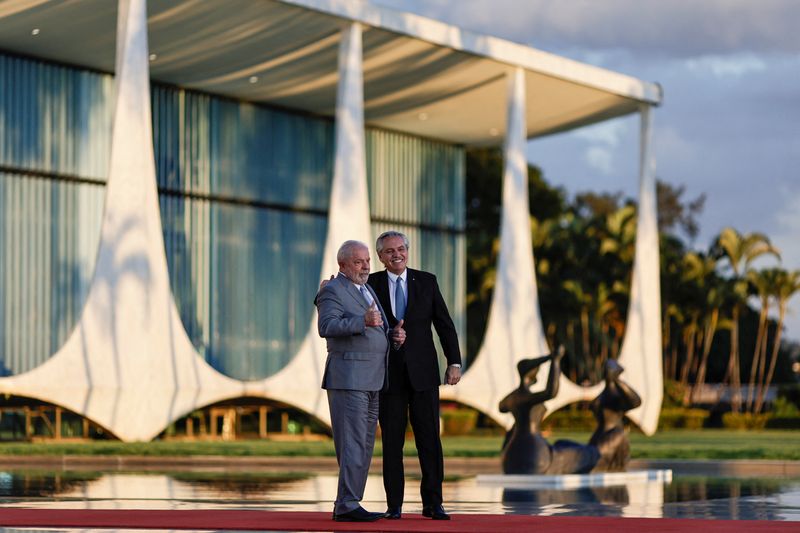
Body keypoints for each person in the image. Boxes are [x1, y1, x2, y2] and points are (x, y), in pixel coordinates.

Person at [367, 230, 462, 521]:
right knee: (392, 443)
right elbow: (360, 321)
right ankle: (393, 505)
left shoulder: (427, 281)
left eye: (401, 249)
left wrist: (454, 362)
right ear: (381, 257)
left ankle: (433, 504)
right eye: (389, 251)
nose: (397, 254)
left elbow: (444, 325)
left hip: (423, 375)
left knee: (429, 440)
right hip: (388, 376)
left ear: (407, 251)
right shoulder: (371, 284)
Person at [316, 240, 405, 522]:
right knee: (352, 443)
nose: (366, 266)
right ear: (343, 265)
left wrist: (394, 336)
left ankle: (350, 501)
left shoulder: (365, 288)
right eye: (358, 262)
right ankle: (346, 504)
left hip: (373, 379)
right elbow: (326, 327)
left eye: (367, 261)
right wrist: (361, 322)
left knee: (364, 444)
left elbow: (377, 327)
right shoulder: (333, 289)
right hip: (349, 378)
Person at [498, 347, 599, 474]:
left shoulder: (512, 398)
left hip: (512, 454)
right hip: (534, 454)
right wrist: (555, 361)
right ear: (531, 374)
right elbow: (551, 392)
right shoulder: (528, 398)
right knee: (589, 454)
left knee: (562, 443)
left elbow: (501, 407)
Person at [589, 359, 642, 472]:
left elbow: (636, 401)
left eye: (608, 370)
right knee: (587, 460)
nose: (605, 372)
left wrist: (617, 381)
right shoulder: (602, 396)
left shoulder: (617, 396)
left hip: (615, 437)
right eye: (605, 370)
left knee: (594, 460)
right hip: (598, 436)